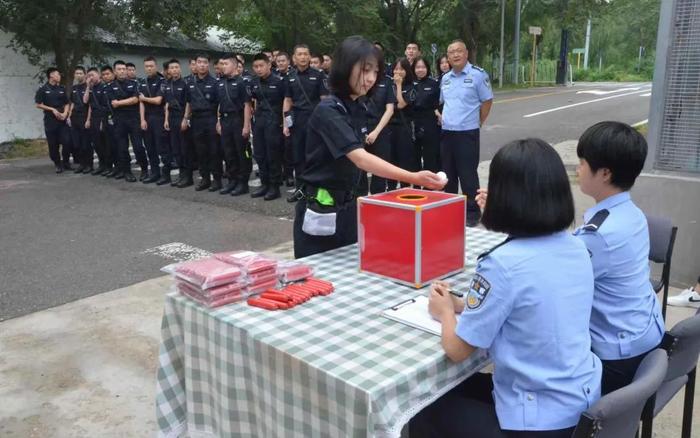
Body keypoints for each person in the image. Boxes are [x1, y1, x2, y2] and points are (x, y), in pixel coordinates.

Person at [410, 138, 602, 438]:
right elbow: (527, 302)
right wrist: (463, 304)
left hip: (537, 418)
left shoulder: (503, 264)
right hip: (580, 399)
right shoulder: (576, 246)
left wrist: (446, 312)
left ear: (505, 197)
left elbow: (458, 349)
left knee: (420, 409)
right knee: (456, 389)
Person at [293, 36, 444, 259]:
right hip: (321, 207)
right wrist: (414, 177)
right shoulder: (328, 110)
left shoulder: (358, 106)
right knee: (318, 279)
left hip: (349, 206)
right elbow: (360, 158)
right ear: (345, 68)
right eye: (365, 70)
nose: (371, 78)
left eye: (375, 71)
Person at [573, 121, 665, 395]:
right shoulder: (632, 213)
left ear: (604, 173)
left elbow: (556, 284)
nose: (578, 168)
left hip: (616, 358)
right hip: (646, 332)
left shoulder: (598, 234)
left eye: (582, 162)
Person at [439, 39, 493, 227]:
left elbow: (487, 101)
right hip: (447, 133)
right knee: (449, 175)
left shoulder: (478, 75)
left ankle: (472, 212)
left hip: (467, 133)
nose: (455, 55)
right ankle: (452, 209)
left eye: (458, 51)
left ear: (466, 53)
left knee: (468, 175)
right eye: (451, 52)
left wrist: (478, 122)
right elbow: (443, 103)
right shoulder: (445, 78)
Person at [283, 44, 329, 202]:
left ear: (310, 57)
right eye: (299, 54)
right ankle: (300, 189)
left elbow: (325, 101)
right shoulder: (290, 76)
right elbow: (288, 100)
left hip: (315, 120)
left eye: (305, 54)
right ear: (294, 58)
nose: (302, 57)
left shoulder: (319, 76)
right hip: (297, 120)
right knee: (298, 156)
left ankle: (314, 190)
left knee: (314, 156)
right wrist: (285, 123)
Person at [181, 54, 222, 192]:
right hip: (196, 120)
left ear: (208, 65)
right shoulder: (190, 83)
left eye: (205, 62)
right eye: (199, 62)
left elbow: (219, 104)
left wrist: (218, 121)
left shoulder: (215, 82)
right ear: (195, 64)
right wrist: (185, 118)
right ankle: (205, 179)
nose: (202, 65)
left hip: (211, 118)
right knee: (200, 151)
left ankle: (217, 179)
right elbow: (188, 102)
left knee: (214, 150)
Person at [249, 52, 286, 201]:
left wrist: (284, 123)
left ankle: (274, 186)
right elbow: (255, 101)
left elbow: (286, 102)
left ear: (269, 65)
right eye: (256, 66)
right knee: (260, 154)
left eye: (261, 66)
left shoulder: (279, 82)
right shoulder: (253, 82)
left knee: (273, 155)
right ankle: (264, 184)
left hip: (274, 122)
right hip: (259, 122)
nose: (258, 69)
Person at [361, 44, 395, 195]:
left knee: (380, 171)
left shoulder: (386, 81)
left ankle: (378, 204)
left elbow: (390, 109)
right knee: (358, 171)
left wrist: (375, 132)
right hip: (360, 128)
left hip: (380, 129)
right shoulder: (358, 79)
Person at [216, 54, 253, 196]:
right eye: (221, 64)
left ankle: (243, 182)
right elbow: (218, 104)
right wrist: (218, 121)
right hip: (225, 121)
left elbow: (247, 105)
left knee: (241, 152)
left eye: (226, 64)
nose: (222, 66)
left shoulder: (242, 82)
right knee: (228, 152)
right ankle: (232, 180)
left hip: (238, 120)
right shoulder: (219, 83)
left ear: (234, 65)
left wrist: (246, 125)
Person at [106, 60, 148, 182]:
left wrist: (120, 102)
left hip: (134, 119)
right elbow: (113, 104)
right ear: (114, 71)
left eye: (124, 69)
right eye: (119, 69)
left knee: (138, 147)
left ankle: (144, 169)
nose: (122, 71)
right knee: (122, 148)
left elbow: (136, 99)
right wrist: (126, 101)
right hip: (119, 121)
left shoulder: (134, 83)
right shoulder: (110, 87)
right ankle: (127, 172)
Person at [139, 56, 171, 185]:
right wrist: (142, 119)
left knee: (162, 148)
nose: (149, 68)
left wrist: (144, 98)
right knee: (150, 147)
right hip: (147, 117)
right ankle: (155, 173)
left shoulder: (162, 81)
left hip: (159, 117)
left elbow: (158, 101)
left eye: (151, 66)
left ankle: (166, 174)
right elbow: (140, 103)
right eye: (147, 66)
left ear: (156, 66)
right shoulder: (142, 82)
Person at [387, 57, 417, 190]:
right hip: (389, 128)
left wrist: (399, 86)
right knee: (390, 161)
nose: (398, 71)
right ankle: (391, 189)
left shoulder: (411, 88)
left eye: (401, 69)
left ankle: (405, 189)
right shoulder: (388, 86)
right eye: (396, 69)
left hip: (404, 128)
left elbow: (400, 104)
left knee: (404, 161)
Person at [35, 67, 72, 173]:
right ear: (51, 75)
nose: (59, 76)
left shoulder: (61, 88)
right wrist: (52, 110)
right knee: (53, 144)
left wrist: (65, 113)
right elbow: (38, 104)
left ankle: (66, 161)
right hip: (50, 121)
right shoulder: (43, 89)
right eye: (58, 74)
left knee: (67, 141)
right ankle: (57, 163)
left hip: (62, 120)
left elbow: (66, 103)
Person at [163, 59, 193, 188]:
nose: (174, 69)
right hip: (172, 118)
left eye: (176, 67)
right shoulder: (167, 84)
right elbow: (167, 103)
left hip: (182, 117)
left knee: (185, 149)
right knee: (176, 149)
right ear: (168, 70)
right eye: (172, 68)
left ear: (180, 68)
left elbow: (188, 102)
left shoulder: (185, 83)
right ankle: (181, 175)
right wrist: (166, 119)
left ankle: (188, 177)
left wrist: (185, 118)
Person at [412, 57, 441, 174]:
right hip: (413, 123)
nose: (420, 70)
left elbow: (437, 104)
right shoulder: (409, 83)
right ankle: (417, 185)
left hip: (430, 123)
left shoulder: (434, 84)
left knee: (430, 156)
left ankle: (430, 186)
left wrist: (438, 114)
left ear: (427, 69)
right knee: (414, 156)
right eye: (418, 67)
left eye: (423, 67)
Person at [84, 67, 113, 175]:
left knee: (105, 143)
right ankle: (102, 164)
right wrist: (88, 86)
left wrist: (102, 121)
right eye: (88, 76)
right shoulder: (92, 88)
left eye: (92, 75)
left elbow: (106, 106)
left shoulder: (104, 87)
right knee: (96, 143)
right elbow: (86, 101)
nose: (90, 78)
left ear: (98, 75)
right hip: (94, 118)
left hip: (103, 118)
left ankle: (109, 166)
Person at [68, 66, 92, 173]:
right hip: (74, 117)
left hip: (84, 116)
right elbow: (72, 103)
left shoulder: (88, 86)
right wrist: (69, 116)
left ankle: (89, 165)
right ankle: (82, 164)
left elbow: (90, 104)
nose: (78, 75)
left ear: (85, 74)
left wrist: (88, 119)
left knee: (86, 143)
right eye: (77, 73)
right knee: (77, 143)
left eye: (80, 73)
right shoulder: (74, 88)